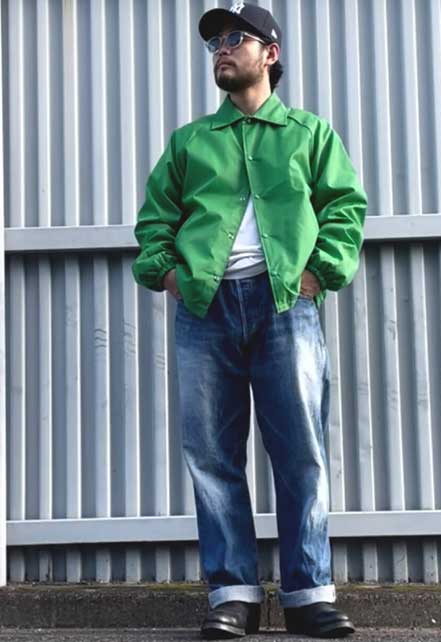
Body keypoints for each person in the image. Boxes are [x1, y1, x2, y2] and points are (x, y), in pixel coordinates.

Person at [132, 2, 367, 638]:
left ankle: (308, 595)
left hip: (286, 304)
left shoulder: (309, 135)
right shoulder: (189, 142)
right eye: (214, 42)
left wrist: (317, 274)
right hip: (205, 310)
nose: (222, 49)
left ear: (270, 53)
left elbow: (345, 209)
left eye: (236, 38)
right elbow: (154, 222)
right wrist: (172, 276)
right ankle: (233, 596)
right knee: (211, 454)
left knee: (301, 453)